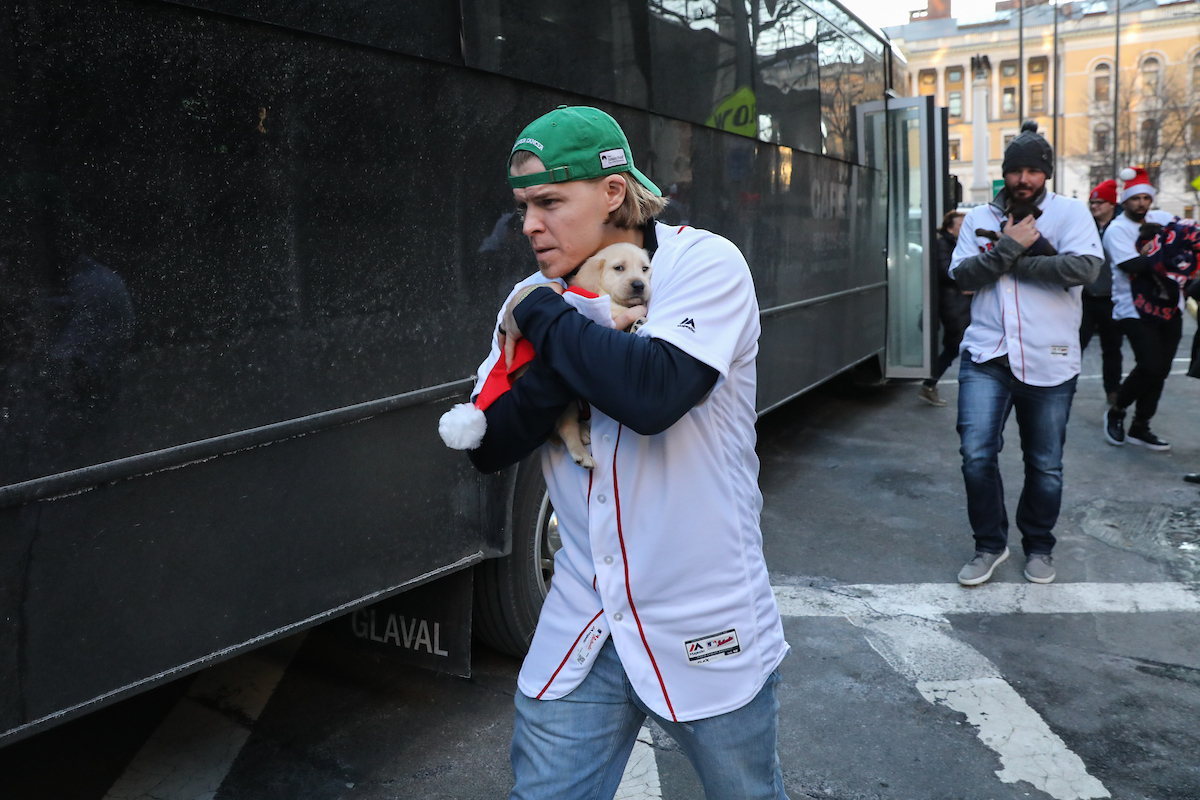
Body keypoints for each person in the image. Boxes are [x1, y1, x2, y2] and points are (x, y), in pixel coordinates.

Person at [466, 106, 790, 800]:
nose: (529, 224)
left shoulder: (702, 262)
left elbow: (652, 393)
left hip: (703, 619)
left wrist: (546, 317)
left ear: (613, 192)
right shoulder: (542, 296)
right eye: (523, 207)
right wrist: (559, 344)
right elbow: (489, 441)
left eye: (550, 201)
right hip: (583, 621)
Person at [948, 121, 1103, 587]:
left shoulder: (1072, 214)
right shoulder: (978, 218)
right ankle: (990, 545)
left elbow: (1082, 269)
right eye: (1016, 170)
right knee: (976, 455)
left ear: (1046, 175)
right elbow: (962, 277)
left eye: (1033, 170)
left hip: (1050, 358)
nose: (1024, 179)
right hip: (986, 355)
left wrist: (1011, 260)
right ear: (1005, 174)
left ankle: (1039, 544)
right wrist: (1011, 246)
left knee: (1045, 463)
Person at [1102, 167, 1178, 451]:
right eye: (1136, 198)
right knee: (1150, 364)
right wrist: (1167, 252)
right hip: (1133, 307)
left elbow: (1187, 239)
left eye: (1146, 198)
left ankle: (1141, 426)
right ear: (1125, 201)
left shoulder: (1163, 219)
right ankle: (1117, 410)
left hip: (1171, 305)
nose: (1142, 203)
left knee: (1161, 370)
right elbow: (1130, 265)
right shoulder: (1117, 229)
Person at [918, 210, 971, 407]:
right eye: (961, 225)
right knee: (954, 344)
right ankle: (929, 385)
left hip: (957, 301)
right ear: (950, 227)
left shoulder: (958, 243)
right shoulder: (943, 244)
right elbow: (946, 271)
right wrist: (967, 283)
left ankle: (930, 385)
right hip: (951, 302)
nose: (966, 229)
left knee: (956, 345)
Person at [1079, 178, 1123, 406]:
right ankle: (1064, 384)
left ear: (1112, 204)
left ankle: (1113, 392)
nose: (1094, 206)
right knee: (1076, 343)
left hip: (1112, 298)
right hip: (1086, 297)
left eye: (1100, 202)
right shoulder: (1086, 226)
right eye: (1092, 202)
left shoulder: (1122, 226)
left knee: (1112, 348)